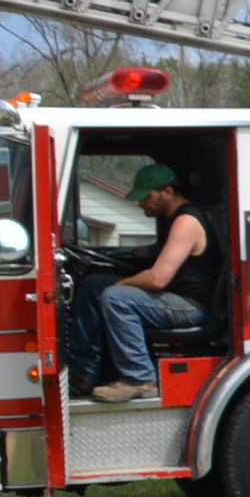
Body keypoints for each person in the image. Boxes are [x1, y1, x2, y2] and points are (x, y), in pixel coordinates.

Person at [66, 163, 217, 403]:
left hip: (191, 306)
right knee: (95, 284)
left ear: (167, 192)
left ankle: (139, 379)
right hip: (174, 299)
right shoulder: (174, 218)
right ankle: (83, 373)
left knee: (116, 298)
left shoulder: (186, 220)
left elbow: (158, 279)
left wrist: (120, 285)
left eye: (146, 197)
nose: (140, 203)